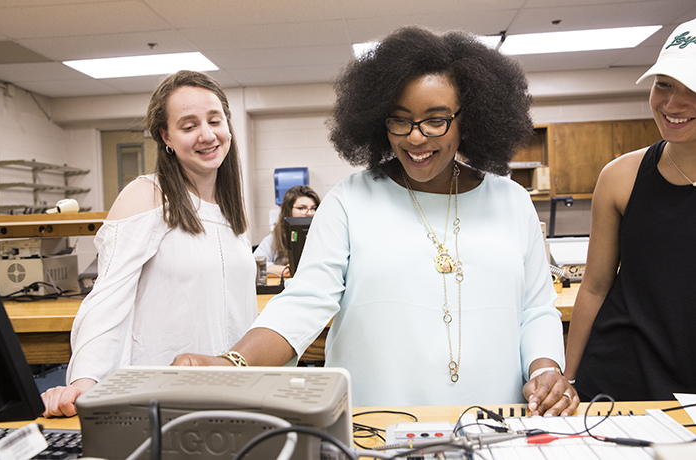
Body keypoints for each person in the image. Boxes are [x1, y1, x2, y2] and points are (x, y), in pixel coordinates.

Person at [174, 26, 577, 415]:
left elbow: (536, 309)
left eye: (436, 120)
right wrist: (233, 364)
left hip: (494, 422)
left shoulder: (512, 201)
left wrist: (545, 370)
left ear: (468, 118)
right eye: (400, 119)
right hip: (376, 426)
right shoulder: (350, 200)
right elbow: (304, 301)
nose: (415, 138)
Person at [40, 70, 258, 417]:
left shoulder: (230, 209)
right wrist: (86, 379)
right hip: (163, 397)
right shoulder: (148, 194)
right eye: (188, 126)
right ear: (165, 136)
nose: (206, 135)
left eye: (214, 120)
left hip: (230, 394)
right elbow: (107, 300)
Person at [565, 18, 696, 401]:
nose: (673, 104)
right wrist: (569, 381)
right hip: (618, 379)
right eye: (665, 85)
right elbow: (594, 287)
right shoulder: (621, 176)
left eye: (693, 90)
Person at [253, 185, 321, 277]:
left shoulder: (323, 236)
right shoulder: (274, 239)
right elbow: (255, 264)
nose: (309, 213)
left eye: (313, 208)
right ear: (288, 210)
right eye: (302, 208)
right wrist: (285, 270)